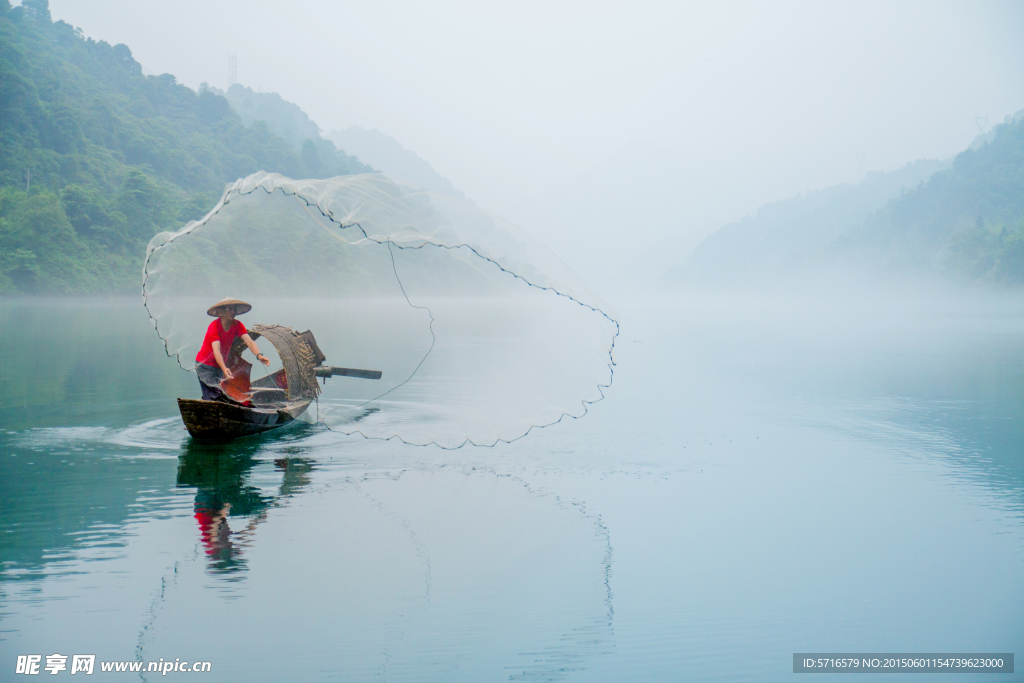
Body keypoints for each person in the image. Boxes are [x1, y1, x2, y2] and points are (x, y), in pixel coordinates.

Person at [195, 298, 270, 402]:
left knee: (219, 394)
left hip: (219, 366)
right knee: (215, 396)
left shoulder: (237, 325)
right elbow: (216, 351)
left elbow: (249, 341)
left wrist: (259, 356)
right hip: (204, 365)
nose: (233, 312)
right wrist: (224, 368)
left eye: (234, 309)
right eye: (230, 309)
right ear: (222, 311)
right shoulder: (214, 326)